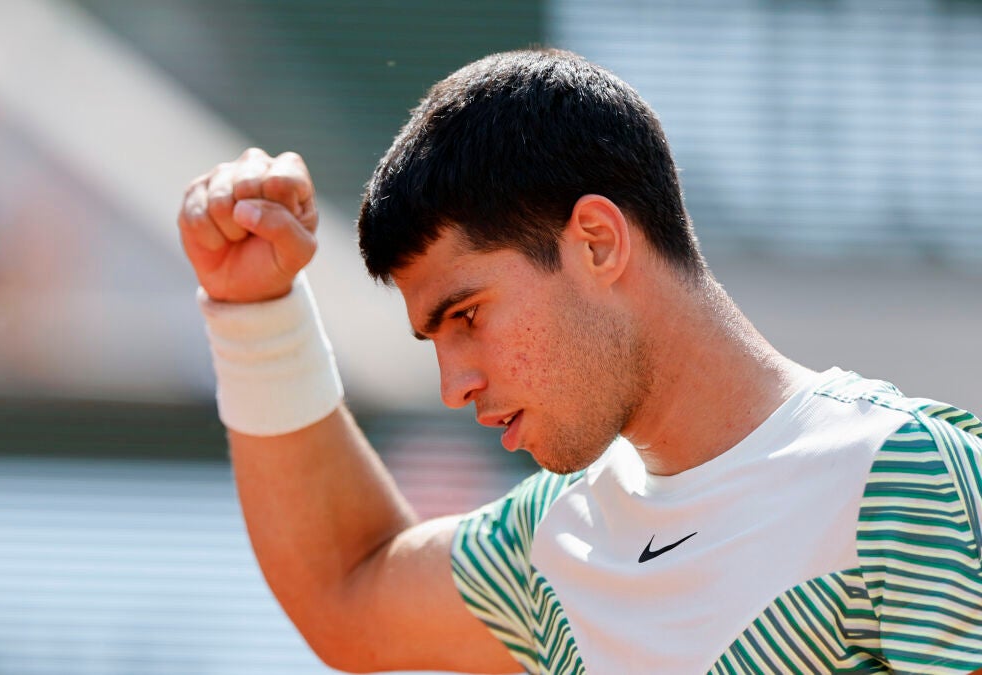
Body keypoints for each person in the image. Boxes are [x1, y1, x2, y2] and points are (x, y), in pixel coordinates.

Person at [178, 49, 982, 674]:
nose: (455, 384)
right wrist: (257, 311)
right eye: (437, 338)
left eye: (468, 315)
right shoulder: (551, 534)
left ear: (597, 241)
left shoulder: (909, 479)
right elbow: (347, 588)